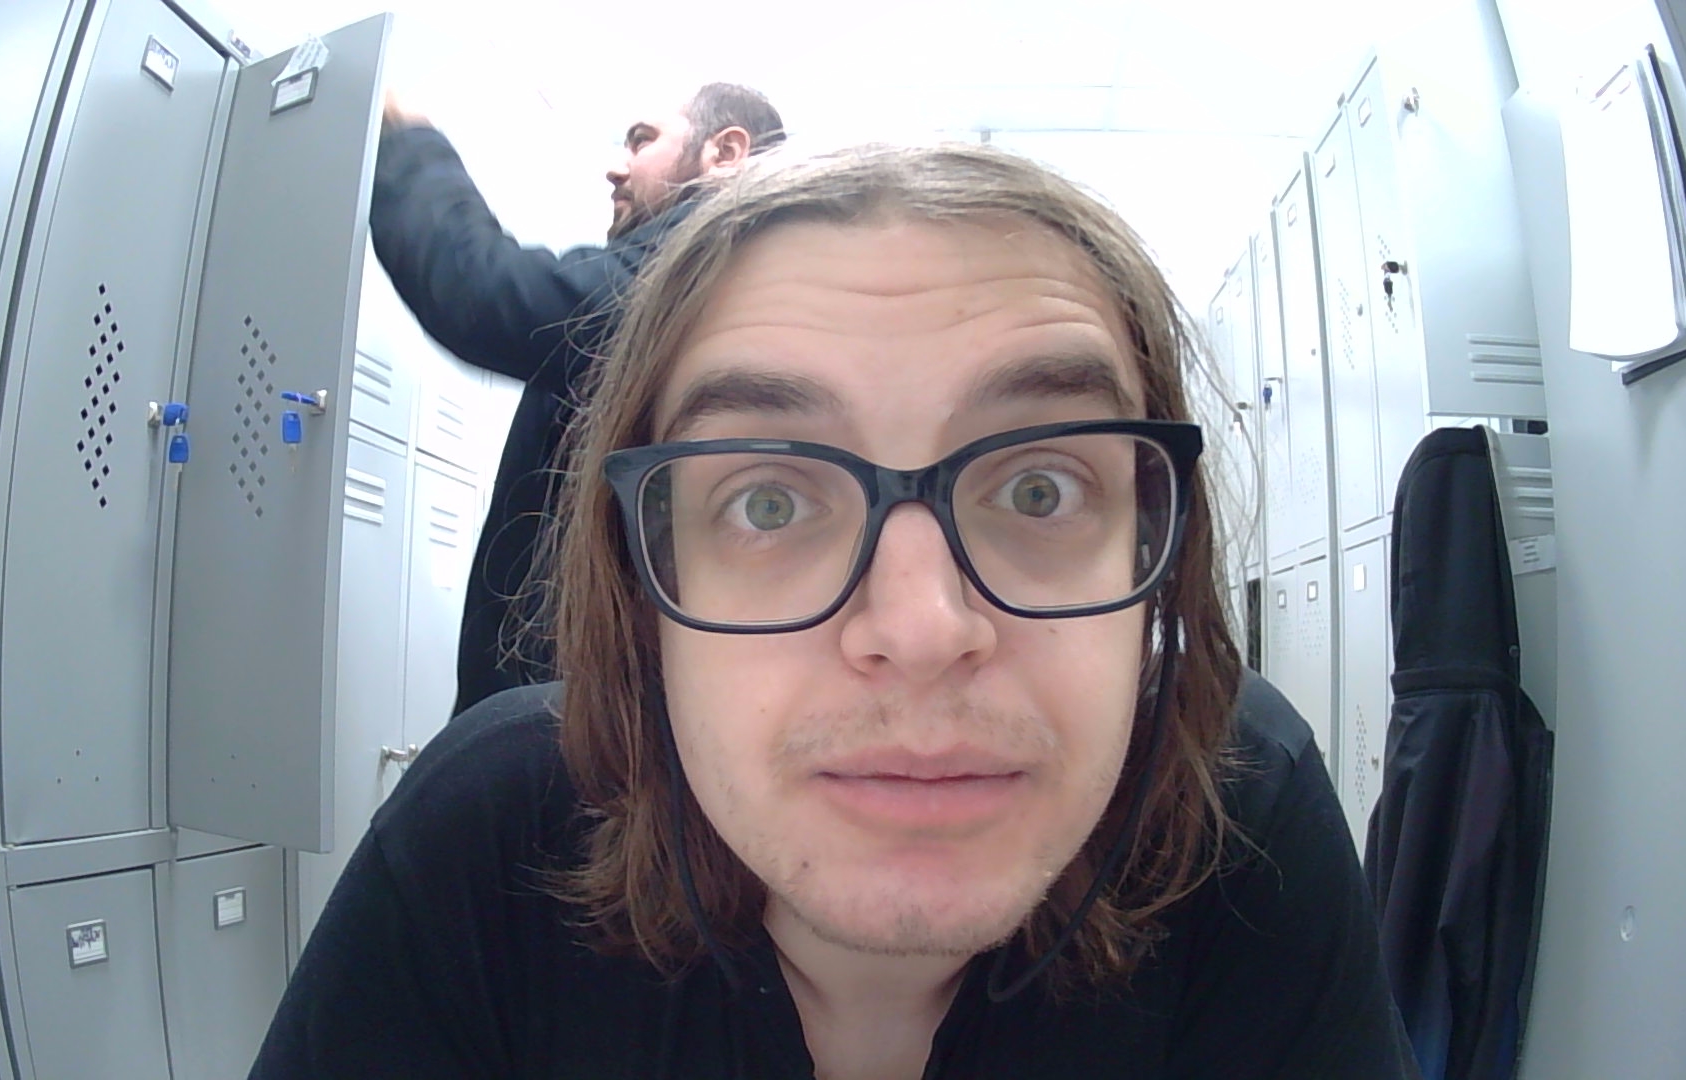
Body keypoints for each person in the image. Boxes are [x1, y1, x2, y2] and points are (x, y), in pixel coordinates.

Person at [253, 144, 1419, 1079]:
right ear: (641, 592)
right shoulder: (484, 842)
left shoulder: (1241, 813)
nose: (921, 632)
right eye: (767, 501)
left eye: (1040, 490)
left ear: (1159, 552)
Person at [372, 82, 786, 714]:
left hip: (578, 710)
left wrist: (408, 135)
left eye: (642, 141)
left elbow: (481, 292)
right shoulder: (746, 276)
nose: (617, 168)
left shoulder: (705, 260)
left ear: (724, 153)